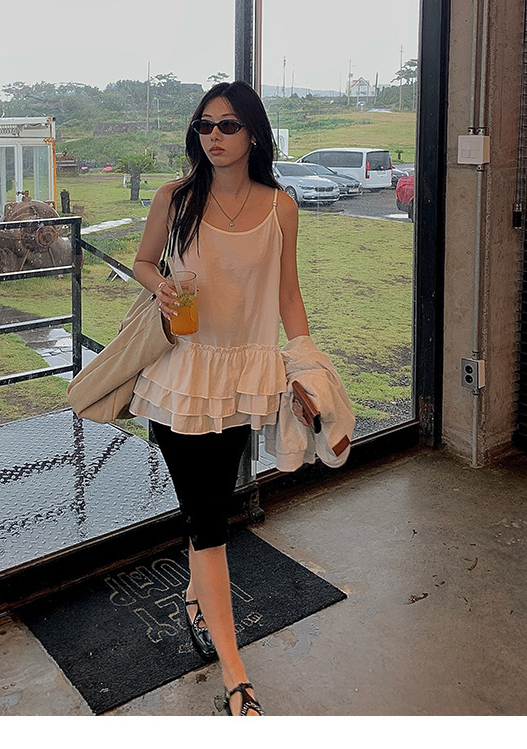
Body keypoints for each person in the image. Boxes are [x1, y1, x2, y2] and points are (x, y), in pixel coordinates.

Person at [131, 80, 314, 717]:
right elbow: (144, 261)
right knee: (209, 522)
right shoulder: (175, 198)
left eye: (229, 125)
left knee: (209, 505)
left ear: (254, 133)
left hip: (243, 379)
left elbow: (288, 294)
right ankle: (235, 675)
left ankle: (193, 597)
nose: (214, 136)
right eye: (205, 125)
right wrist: (160, 286)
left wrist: (307, 362)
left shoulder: (280, 207)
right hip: (182, 378)